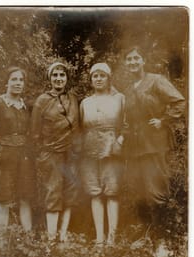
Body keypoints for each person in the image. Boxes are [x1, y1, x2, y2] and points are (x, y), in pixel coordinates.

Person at [123, 46, 186, 228]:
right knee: (138, 190)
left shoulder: (156, 80)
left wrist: (163, 120)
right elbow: (128, 118)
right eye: (129, 59)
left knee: (156, 190)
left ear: (143, 61)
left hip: (154, 144)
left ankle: (162, 239)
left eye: (136, 58)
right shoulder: (127, 90)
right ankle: (146, 234)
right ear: (125, 63)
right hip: (134, 147)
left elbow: (179, 102)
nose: (133, 62)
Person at [31, 61, 79, 242]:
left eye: (62, 75)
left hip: (72, 153)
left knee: (71, 192)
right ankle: (51, 239)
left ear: (66, 78)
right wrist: (44, 153)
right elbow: (34, 133)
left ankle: (63, 235)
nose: (59, 79)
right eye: (55, 75)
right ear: (50, 78)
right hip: (51, 154)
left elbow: (77, 126)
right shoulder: (41, 101)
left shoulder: (73, 98)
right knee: (53, 192)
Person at [0, 66, 35, 235]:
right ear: (6, 82)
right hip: (5, 154)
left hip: (24, 155)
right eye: (14, 79)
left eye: (21, 80)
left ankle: (28, 238)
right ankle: (2, 241)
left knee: (25, 196)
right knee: (3, 197)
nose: (18, 83)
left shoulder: (25, 106)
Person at [80, 63, 125, 246]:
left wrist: (119, 141)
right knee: (95, 191)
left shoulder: (119, 98)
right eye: (95, 76)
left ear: (108, 78)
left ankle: (112, 238)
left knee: (112, 191)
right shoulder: (86, 102)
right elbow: (82, 128)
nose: (98, 79)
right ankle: (99, 238)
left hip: (112, 147)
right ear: (91, 80)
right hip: (89, 149)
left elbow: (126, 123)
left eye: (102, 76)